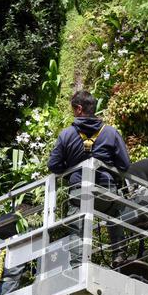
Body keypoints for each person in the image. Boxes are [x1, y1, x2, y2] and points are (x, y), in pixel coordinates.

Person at [48, 90, 131, 266]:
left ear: (78, 109)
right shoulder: (110, 133)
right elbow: (124, 165)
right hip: (105, 190)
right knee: (114, 212)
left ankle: (78, 264)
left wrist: (70, 171)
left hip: (79, 192)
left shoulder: (67, 135)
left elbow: (53, 165)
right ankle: (119, 254)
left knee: (77, 222)